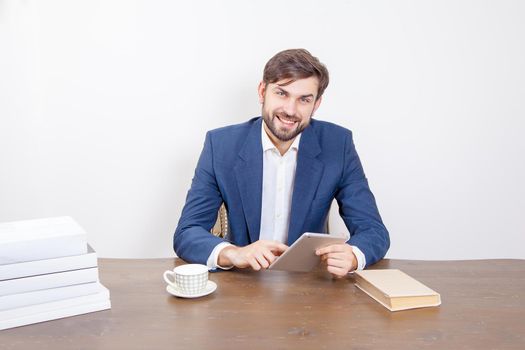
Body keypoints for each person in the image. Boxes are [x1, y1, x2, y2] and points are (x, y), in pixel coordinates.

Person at [173, 49, 389, 277]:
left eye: (304, 99)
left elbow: (373, 230)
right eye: (282, 94)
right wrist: (234, 253)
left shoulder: (338, 145)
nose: (290, 110)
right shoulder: (221, 145)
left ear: (316, 104)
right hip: (242, 285)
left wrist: (354, 254)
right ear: (262, 91)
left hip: (308, 287)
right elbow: (188, 232)